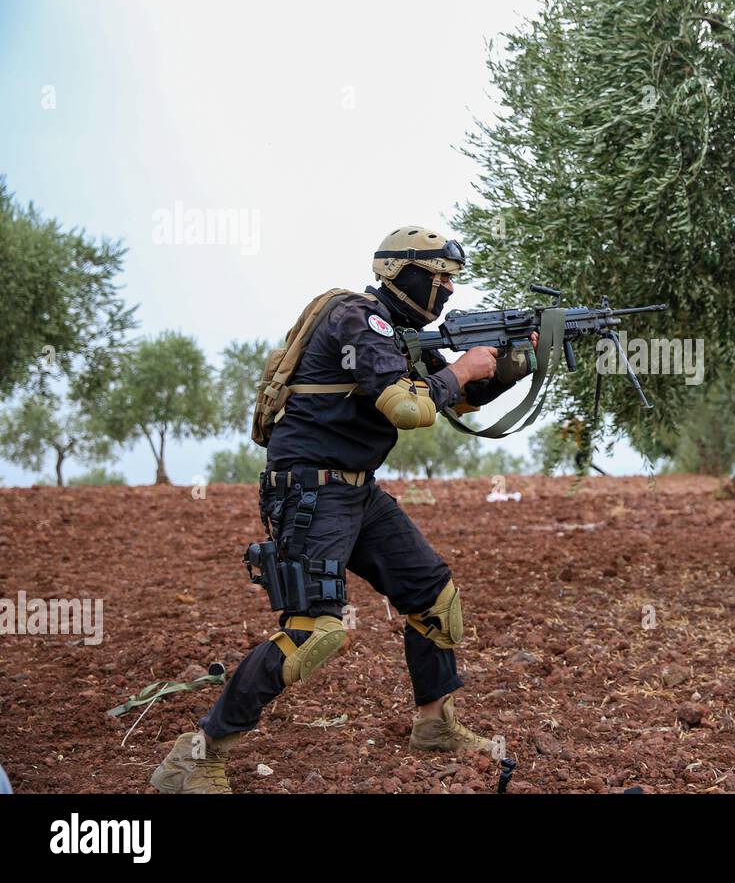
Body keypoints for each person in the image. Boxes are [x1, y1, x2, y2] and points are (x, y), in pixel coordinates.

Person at [151, 226, 535, 793]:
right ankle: (194, 756)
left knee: (434, 599)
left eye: (453, 279)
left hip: (357, 491)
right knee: (316, 632)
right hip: (310, 492)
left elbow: (442, 393)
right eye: (440, 278)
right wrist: (464, 369)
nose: (450, 290)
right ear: (402, 273)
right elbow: (408, 407)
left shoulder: (395, 334)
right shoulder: (357, 318)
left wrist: (507, 368)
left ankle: (435, 726)